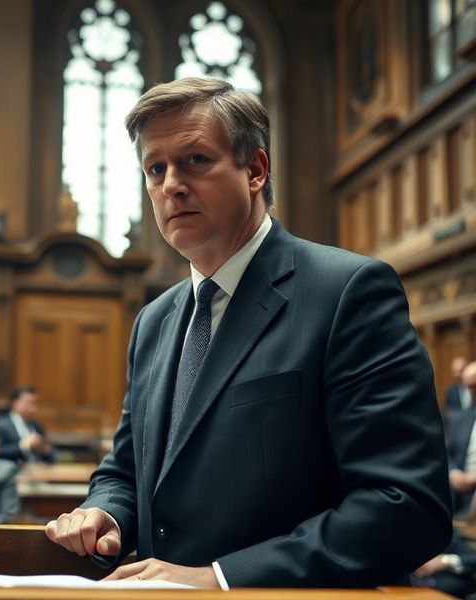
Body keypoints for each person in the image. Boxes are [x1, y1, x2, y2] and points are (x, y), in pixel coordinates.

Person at [45, 77, 451, 588]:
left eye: (195, 160)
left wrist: (220, 578)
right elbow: (127, 470)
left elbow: (406, 505)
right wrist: (105, 513)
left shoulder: (347, 292)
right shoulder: (155, 319)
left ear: (255, 169)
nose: (171, 183)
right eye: (155, 168)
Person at [445, 362, 476, 516]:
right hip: (460, 498)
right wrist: (453, 472)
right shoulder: (461, 418)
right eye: (469, 386)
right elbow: (447, 453)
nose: (472, 392)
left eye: (475, 385)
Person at [0, 385, 56, 464]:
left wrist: (44, 449)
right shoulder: (1, 425)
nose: (34, 408)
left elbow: (52, 456)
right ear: (14, 403)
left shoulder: (37, 426)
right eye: (29, 402)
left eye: (35, 403)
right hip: (13, 472)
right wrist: (23, 446)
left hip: (38, 471)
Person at [412, 530, 476, 599]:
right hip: (406, 589)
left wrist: (443, 561)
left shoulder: (447, 532)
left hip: (444, 590)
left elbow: (473, 558)